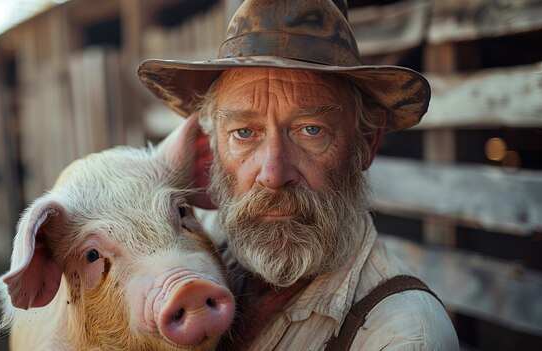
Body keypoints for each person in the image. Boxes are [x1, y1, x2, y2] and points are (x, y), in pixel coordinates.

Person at [138, 0, 459, 349]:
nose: (274, 174)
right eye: (244, 133)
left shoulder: (402, 334)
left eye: (311, 130)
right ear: (212, 147)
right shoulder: (201, 243)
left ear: (366, 142)